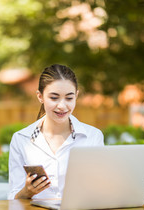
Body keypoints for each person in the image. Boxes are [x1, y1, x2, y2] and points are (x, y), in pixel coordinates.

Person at [8, 64, 104, 200]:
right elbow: (13, 197)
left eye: (69, 98)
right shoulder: (21, 139)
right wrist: (27, 192)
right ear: (40, 96)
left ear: (76, 96)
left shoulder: (93, 137)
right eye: (54, 98)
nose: (62, 106)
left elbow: (100, 189)